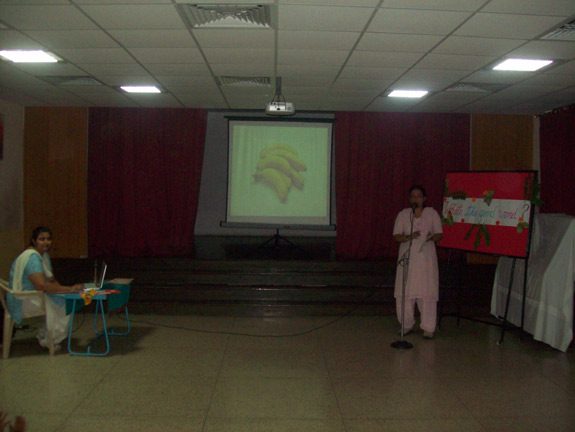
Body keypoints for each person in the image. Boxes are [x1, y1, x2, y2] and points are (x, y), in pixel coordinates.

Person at [7, 226, 83, 351]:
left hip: (31, 295)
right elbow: (41, 285)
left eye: (48, 239)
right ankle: (50, 340)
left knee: (64, 297)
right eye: (42, 239)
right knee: (65, 302)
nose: (46, 242)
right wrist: (69, 289)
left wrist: (67, 290)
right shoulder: (32, 258)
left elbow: (51, 280)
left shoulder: (43, 255)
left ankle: (45, 333)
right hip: (22, 300)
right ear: (34, 241)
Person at [393, 185, 443, 339]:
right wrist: (410, 236)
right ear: (410, 199)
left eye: (419, 196)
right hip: (407, 260)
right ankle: (406, 324)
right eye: (413, 196)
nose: (416, 199)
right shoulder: (404, 215)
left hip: (426, 260)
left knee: (426, 292)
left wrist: (431, 237)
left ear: (424, 198)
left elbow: (439, 234)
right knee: (405, 293)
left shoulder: (432, 213)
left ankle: (428, 327)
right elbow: (396, 236)